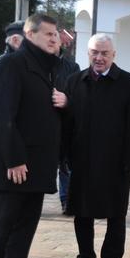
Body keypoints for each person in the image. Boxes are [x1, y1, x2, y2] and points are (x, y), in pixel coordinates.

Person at [0, 14, 66, 258]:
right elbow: (1, 117)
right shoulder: (11, 65)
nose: (55, 39)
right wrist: (14, 159)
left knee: (26, 222)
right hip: (15, 164)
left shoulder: (44, 67)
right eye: (49, 34)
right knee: (1, 223)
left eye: (56, 35)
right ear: (30, 35)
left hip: (37, 163)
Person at [63, 33, 130, 258]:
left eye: (104, 53)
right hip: (82, 160)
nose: (99, 57)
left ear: (113, 55)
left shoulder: (129, 82)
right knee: (82, 213)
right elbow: (67, 123)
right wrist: (65, 155)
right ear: (88, 53)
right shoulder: (74, 81)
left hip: (116, 163)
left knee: (116, 214)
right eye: (94, 52)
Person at [53, 32, 80, 214]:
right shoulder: (31, 65)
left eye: (54, 37)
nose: (51, 41)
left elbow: (81, 97)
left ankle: (66, 201)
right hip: (40, 127)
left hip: (65, 125)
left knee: (65, 167)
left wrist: (67, 101)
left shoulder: (72, 67)